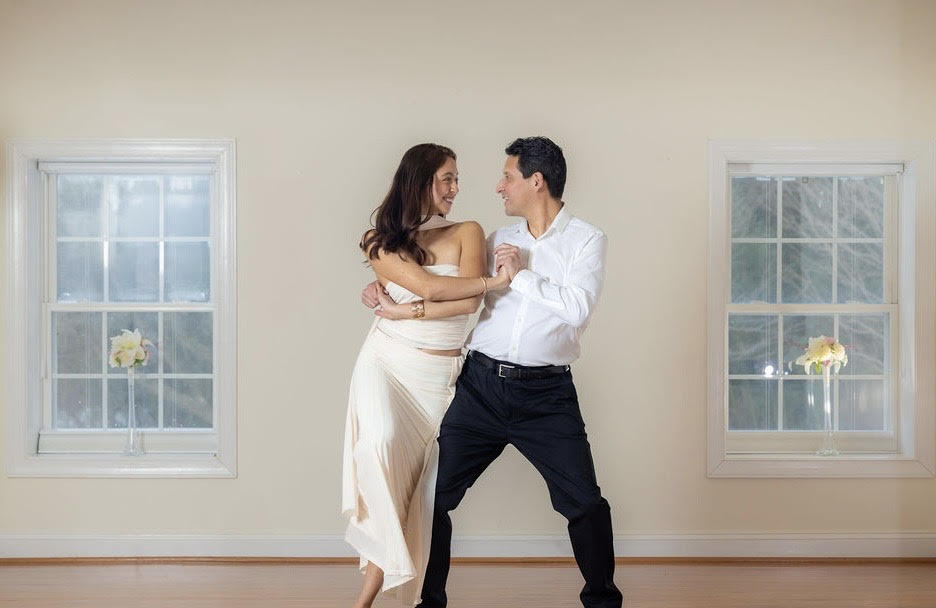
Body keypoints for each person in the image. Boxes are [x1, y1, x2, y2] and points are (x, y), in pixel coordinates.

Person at [362, 137, 623, 608]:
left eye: (508, 176)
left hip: (547, 395)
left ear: (536, 181)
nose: (498, 186)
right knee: (431, 497)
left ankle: (603, 601)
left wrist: (520, 276)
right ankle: (430, 602)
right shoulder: (497, 239)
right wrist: (388, 287)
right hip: (480, 386)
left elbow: (577, 309)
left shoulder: (587, 239)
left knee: (584, 502)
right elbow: (450, 285)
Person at [343, 143, 511, 608]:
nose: (456, 188)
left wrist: (404, 311)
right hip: (386, 363)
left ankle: (374, 596)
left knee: (411, 488)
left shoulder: (468, 231)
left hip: (437, 375)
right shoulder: (377, 242)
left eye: (457, 178)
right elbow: (435, 287)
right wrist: (491, 283)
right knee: (379, 447)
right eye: (447, 179)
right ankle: (365, 599)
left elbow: (467, 304)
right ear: (419, 181)